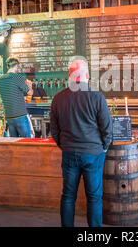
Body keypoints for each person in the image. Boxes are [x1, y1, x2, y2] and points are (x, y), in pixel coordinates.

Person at [50, 59, 112, 227]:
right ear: (87, 76)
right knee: (94, 198)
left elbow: (54, 131)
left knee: (68, 196)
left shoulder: (58, 98)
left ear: (69, 75)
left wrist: (65, 146)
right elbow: (107, 129)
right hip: (93, 154)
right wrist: (104, 148)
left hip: (69, 153)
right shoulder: (97, 97)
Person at [0, 57, 33, 137]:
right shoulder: (17, 77)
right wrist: (30, 85)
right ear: (16, 65)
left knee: (14, 143)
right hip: (20, 116)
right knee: (27, 142)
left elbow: (9, 93)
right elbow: (30, 93)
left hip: (9, 117)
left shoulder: (1, 79)